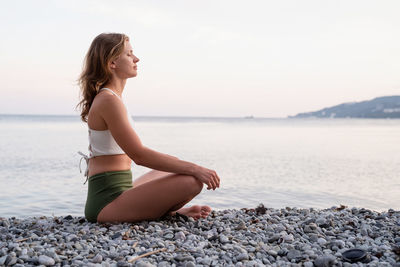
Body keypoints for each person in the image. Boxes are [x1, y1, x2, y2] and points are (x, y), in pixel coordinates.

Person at [77, 33, 220, 223]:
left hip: (122, 192)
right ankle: (166, 212)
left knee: (174, 166)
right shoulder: (108, 101)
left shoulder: (112, 98)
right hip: (106, 204)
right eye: (129, 54)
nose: (136, 59)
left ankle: (170, 211)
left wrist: (188, 167)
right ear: (112, 63)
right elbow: (139, 156)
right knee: (191, 181)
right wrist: (197, 169)